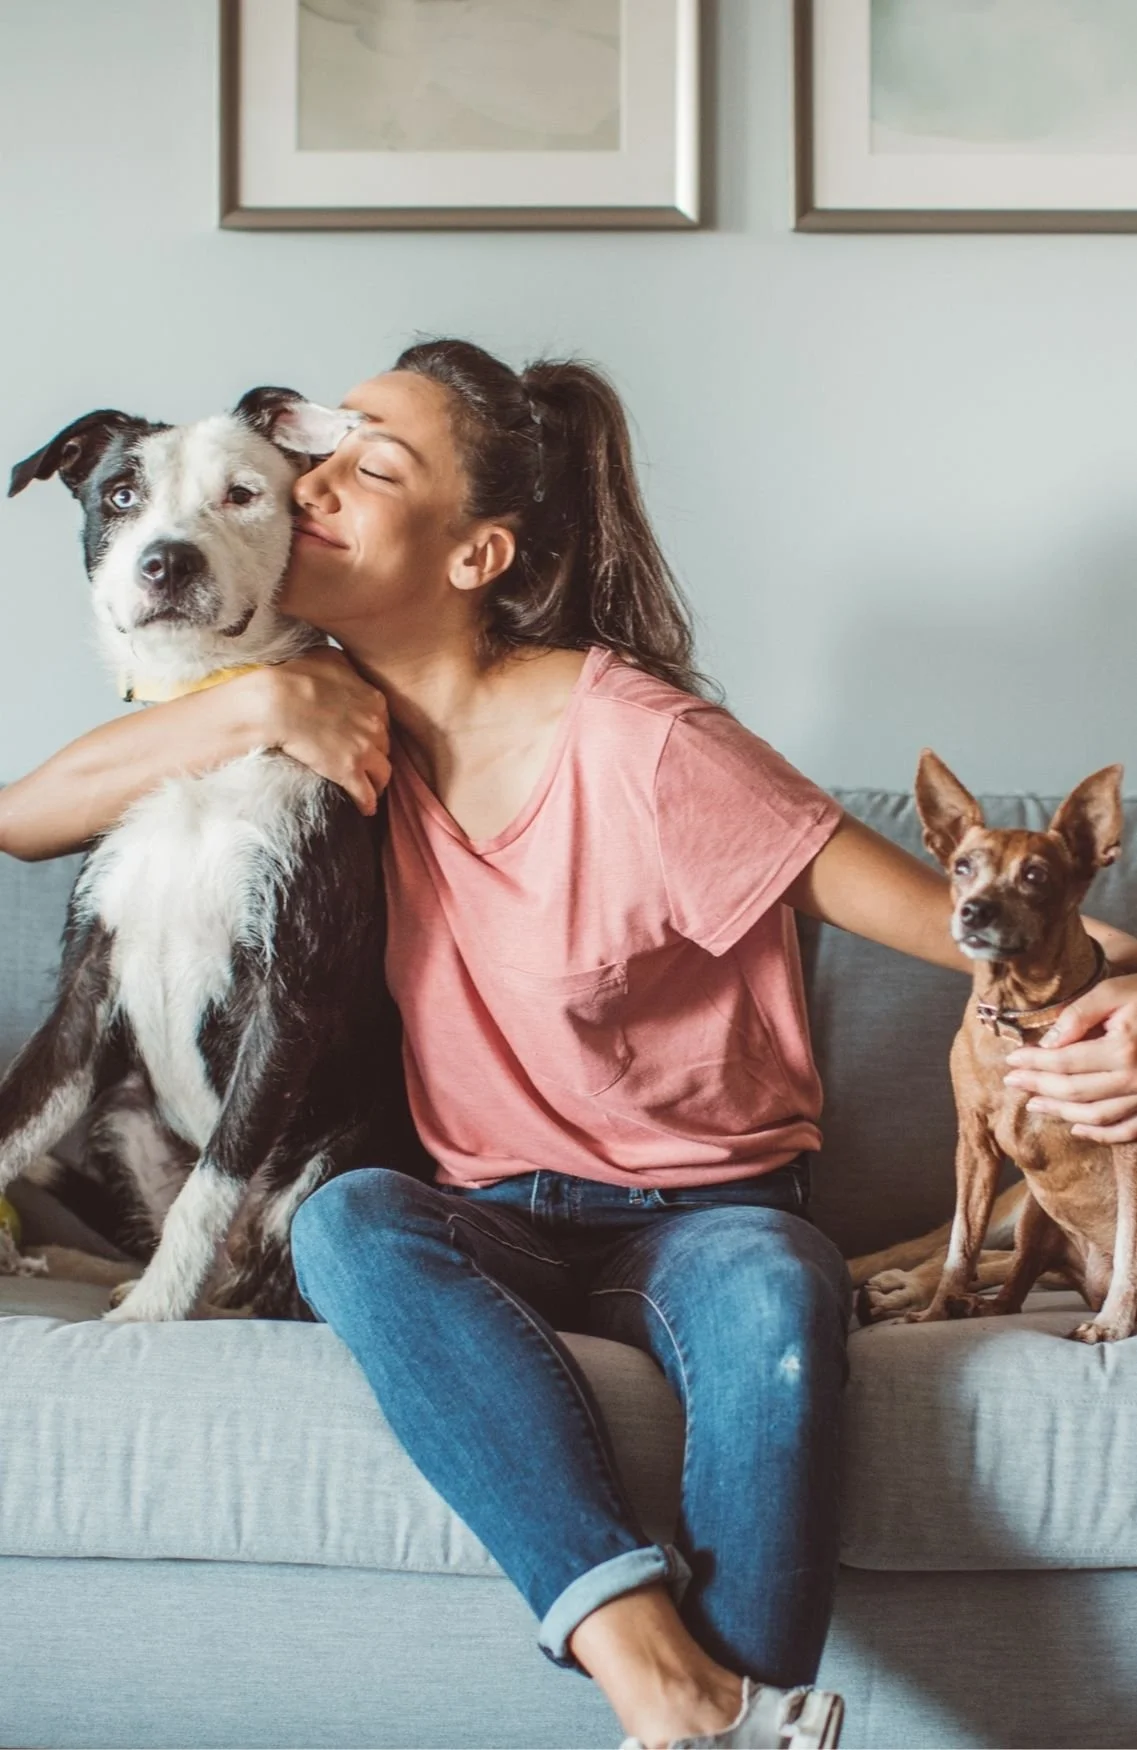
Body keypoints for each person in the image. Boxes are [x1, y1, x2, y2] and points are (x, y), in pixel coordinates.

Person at [4, 342, 1137, 1750]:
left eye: (371, 463)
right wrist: (248, 701)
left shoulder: (645, 742)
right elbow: (24, 814)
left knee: (781, 1299)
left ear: (476, 552)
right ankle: (673, 1684)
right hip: (490, 1216)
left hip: (706, 1215)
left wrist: (1127, 999)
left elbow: (957, 923)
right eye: (324, 455)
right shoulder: (324, 712)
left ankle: (710, 1719)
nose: (315, 481)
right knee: (352, 1220)